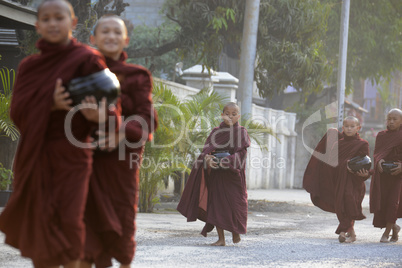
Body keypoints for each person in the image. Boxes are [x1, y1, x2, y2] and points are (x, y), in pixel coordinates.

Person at [0, 0, 110, 267]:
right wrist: (50, 103)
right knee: (39, 224)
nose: (52, 23)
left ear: (72, 23)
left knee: (71, 220)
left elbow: (110, 105)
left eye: (58, 18)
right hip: (35, 157)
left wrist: (98, 115)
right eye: (46, 19)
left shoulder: (88, 59)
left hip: (72, 156)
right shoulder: (29, 66)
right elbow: (17, 111)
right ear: (37, 26)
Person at [80, 15, 157, 268]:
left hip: (121, 164)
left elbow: (148, 118)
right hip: (83, 159)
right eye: (105, 31)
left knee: (122, 221)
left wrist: (121, 131)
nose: (111, 36)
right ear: (93, 38)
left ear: (125, 40)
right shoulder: (80, 71)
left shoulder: (137, 75)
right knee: (84, 228)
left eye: (117, 32)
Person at [177, 102, 250, 246]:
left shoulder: (241, 132)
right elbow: (206, 151)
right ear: (222, 115)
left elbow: (241, 154)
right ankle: (221, 239)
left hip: (233, 175)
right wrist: (208, 159)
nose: (230, 116)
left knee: (235, 204)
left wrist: (226, 160)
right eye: (227, 113)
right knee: (216, 205)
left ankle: (235, 232)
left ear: (238, 116)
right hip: (217, 174)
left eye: (233, 114)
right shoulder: (216, 132)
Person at [304, 116, 371, 243]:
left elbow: (366, 163)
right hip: (339, 180)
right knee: (341, 205)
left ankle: (344, 231)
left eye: (352, 126)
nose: (349, 129)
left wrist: (363, 174)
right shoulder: (337, 143)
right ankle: (350, 233)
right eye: (346, 126)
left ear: (358, 128)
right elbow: (332, 162)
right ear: (343, 128)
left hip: (354, 181)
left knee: (349, 201)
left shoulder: (363, 144)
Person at [370, 108, 402, 243]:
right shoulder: (382, 135)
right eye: (389, 119)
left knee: (392, 203)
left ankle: (386, 232)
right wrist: (379, 160)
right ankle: (394, 228)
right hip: (383, 175)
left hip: (398, 176)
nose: (391, 121)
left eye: (395, 119)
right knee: (383, 203)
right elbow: (377, 153)